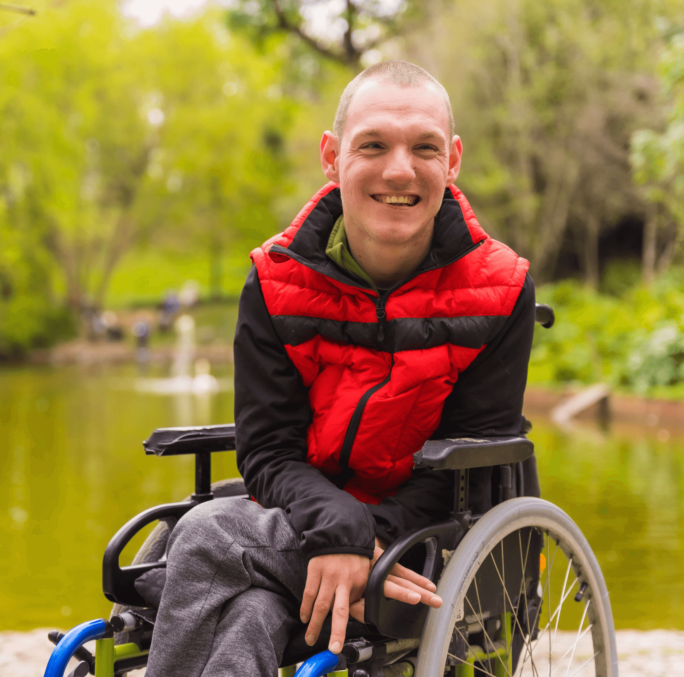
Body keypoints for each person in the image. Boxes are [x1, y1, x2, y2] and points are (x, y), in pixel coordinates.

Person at [145, 60, 536, 677]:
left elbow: (475, 459)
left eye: (424, 148)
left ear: (453, 159)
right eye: (373, 144)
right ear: (332, 156)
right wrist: (337, 530)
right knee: (242, 608)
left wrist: (363, 542)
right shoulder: (276, 280)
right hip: (310, 524)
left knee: (206, 538)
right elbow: (269, 448)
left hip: (435, 541)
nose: (400, 169)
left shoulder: (500, 289)